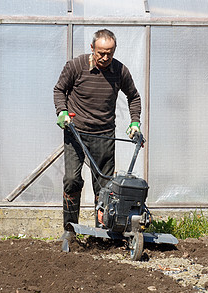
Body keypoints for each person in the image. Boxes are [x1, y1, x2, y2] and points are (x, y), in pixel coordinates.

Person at [53, 29, 142, 243]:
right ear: (92, 48)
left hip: (104, 135)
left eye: (109, 53)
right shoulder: (75, 66)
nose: (105, 57)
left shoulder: (120, 71)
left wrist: (135, 122)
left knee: (103, 186)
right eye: (101, 52)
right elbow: (59, 90)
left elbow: (134, 97)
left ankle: (101, 233)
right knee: (72, 180)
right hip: (76, 133)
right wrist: (62, 112)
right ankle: (70, 230)